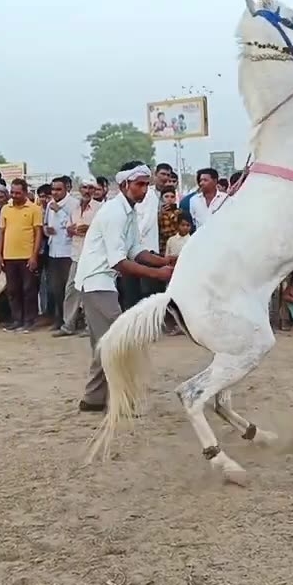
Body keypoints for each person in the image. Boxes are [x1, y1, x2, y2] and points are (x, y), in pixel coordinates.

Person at [73, 162, 175, 412]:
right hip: (96, 281)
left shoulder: (127, 212)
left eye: (146, 185)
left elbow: (136, 250)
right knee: (122, 339)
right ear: (124, 185)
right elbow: (119, 261)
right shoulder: (115, 213)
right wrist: (158, 273)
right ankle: (123, 399)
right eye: (139, 184)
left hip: (103, 282)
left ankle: (93, 398)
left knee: (107, 342)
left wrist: (166, 261)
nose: (144, 190)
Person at [56, 177, 101, 337]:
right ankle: (68, 325)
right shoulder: (75, 208)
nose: (87, 191)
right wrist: (73, 230)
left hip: (93, 255)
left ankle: (91, 326)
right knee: (72, 290)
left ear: (95, 190)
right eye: (84, 188)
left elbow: (103, 230)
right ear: (80, 189)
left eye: (90, 188)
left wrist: (89, 229)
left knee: (90, 292)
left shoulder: (99, 208)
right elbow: (68, 229)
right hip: (76, 254)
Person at [0, 178, 44, 332]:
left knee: (28, 289)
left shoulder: (34, 209)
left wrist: (34, 256)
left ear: (25, 192)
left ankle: (29, 321)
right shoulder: (5, 209)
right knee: (12, 290)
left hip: (27, 256)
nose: (14, 195)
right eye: (12, 192)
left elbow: (38, 233)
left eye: (18, 193)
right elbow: (1, 233)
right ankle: (17, 320)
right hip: (9, 256)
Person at [43, 177, 74, 331]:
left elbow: (73, 225)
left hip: (68, 252)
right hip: (54, 250)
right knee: (56, 288)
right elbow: (46, 224)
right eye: (53, 190)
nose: (55, 192)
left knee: (69, 289)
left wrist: (61, 211)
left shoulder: (73, 204)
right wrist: (46, 230)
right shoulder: (50, 204)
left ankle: (71, 320)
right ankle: (59, 318)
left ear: (66, 189)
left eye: (58, 189)